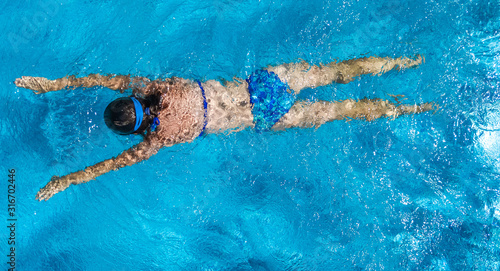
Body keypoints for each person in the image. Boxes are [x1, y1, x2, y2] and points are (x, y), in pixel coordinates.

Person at [15, 55, 434, 201]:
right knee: (335, 72)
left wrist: (67, 180)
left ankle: (415, 107)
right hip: (264, 83)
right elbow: (99, 79)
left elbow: (108, 167)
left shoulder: (156, 140)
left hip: (265, 117)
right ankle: (403, 62)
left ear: (132, 131)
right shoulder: (155, 88)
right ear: (132, 100)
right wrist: (54, 84)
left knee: (342, 110)